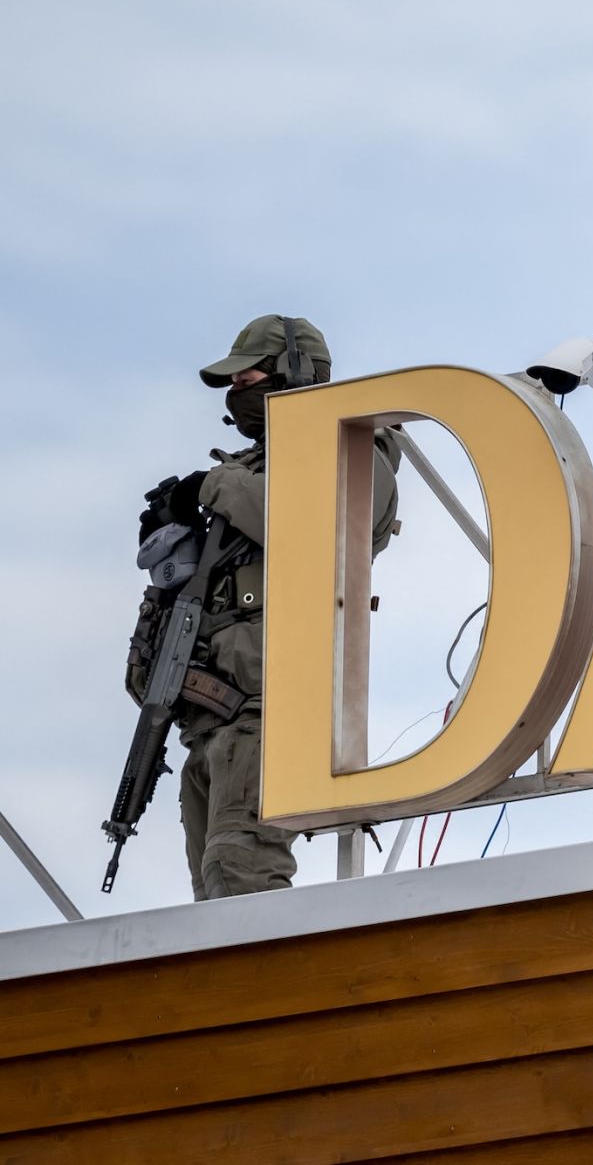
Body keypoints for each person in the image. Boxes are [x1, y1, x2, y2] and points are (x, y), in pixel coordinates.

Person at [133, 315, 400, 899]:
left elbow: (317, 527)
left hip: (268, 711)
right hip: (210, 720)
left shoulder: (358, 449)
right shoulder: (248, 473)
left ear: (292, 375)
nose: (235, 394)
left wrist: (209, 486)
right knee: (213, 892)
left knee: (241, 871)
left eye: (246, 379)